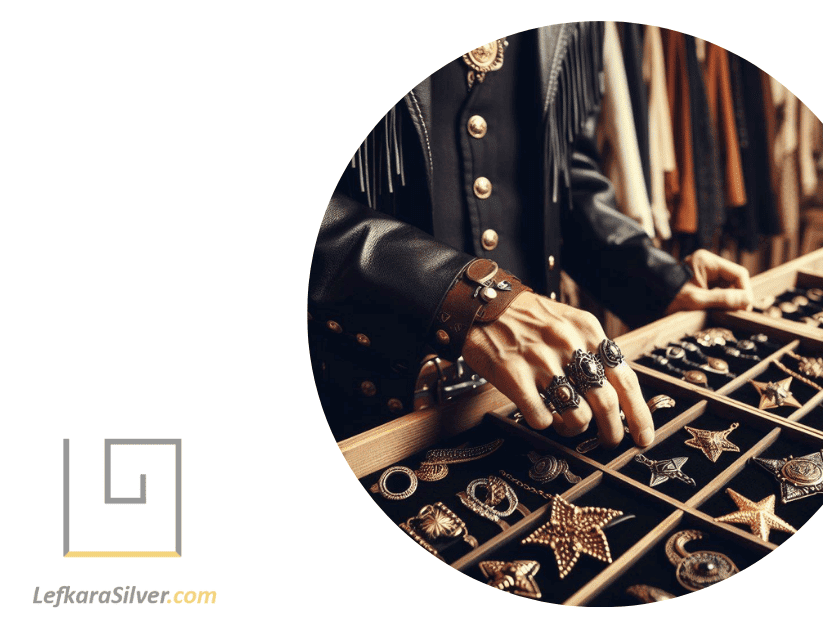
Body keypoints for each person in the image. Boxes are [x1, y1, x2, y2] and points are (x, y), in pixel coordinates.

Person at [308, 23, 754, 446]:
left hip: (542, 390)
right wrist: (471, 300)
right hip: (369, 400)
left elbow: (565, 170)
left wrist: (659, 281)